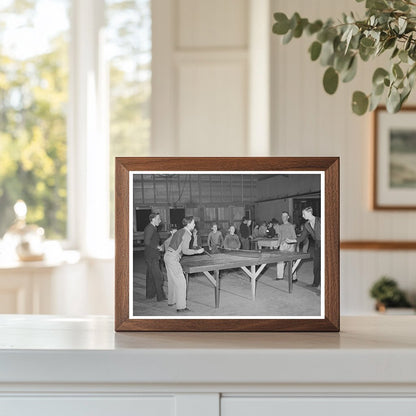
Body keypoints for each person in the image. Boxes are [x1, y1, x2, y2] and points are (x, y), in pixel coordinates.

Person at [164, 216, 204, 312]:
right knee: (181, 283)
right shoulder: (187, 234)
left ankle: (171, 301)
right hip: (173, 259)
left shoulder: (179, 231)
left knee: (172, 281)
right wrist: (197, 252)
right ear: (189, 223)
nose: (194, 225)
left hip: (167, 256)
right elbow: (185, 251)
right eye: (193, 223)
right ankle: (181, 307)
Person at [287, 206, 321, 287]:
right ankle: (315, 284)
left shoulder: (320, 220)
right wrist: (291, 241)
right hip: (317, 245)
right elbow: (302, 237)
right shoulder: (306, 224)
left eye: (304, 214)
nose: (302, 216)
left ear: (309, 213)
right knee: (316, 266)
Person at [144, 212, 166, 301]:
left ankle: (150, 295)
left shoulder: (152, 228)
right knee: (158, 276)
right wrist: (158, 247)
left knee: (151, 276)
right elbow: (147, 242)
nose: (160, 221)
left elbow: (151, 241)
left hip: (150, 256)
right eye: (158, 219)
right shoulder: (150, 228)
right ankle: (160, 297)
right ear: (153, 219)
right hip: (152, 256)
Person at [276, 211, 297, 281]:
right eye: (282, 216)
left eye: (285, 216)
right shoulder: (280, 226)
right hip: (282, 245)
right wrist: (278, 244)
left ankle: (294, 277)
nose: (283, 218)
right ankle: (279, 276)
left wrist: (291, 244)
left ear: (288, 217)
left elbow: (294, 237)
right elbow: (280, 236)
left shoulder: (291, 226)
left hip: (290, 246)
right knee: (280, 261)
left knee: (291, 262)